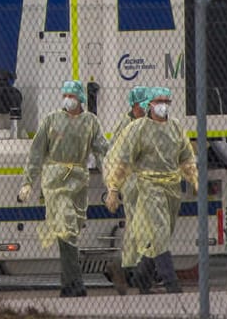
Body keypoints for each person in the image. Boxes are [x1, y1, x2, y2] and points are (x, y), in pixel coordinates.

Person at [17, 80, 108, 297]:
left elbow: (102, 151)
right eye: (64, 94)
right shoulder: (51, 121)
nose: (67, 98)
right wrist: (28, 182)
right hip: (55, 181)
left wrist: (112, 182)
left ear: (80, 99)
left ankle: (68, 284)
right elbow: (36, 152)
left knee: (71, 231)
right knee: (66, 227)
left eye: (71, 95)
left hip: (78, 181)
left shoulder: (90, 122)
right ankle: (75, 282)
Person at [105, 87, 196, 294]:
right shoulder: (130, 127)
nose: (161, 106)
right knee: (151, 230)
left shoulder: (174, 127)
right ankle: (168, 282)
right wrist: (114, 187)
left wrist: (193, 178)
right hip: (139, 185)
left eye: (166, 101)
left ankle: (139, 276)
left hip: (168, 187)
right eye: (155, 102)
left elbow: (184, 155)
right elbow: (117, 157)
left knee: (156, 232)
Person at [105, 86, 150, 293]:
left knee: (137, 229)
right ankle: (132, 271)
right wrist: (113, 188)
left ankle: (126, 268)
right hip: (132, 183)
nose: (147, 108)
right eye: (143, 105)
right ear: (134, 106)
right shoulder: (126, 126)